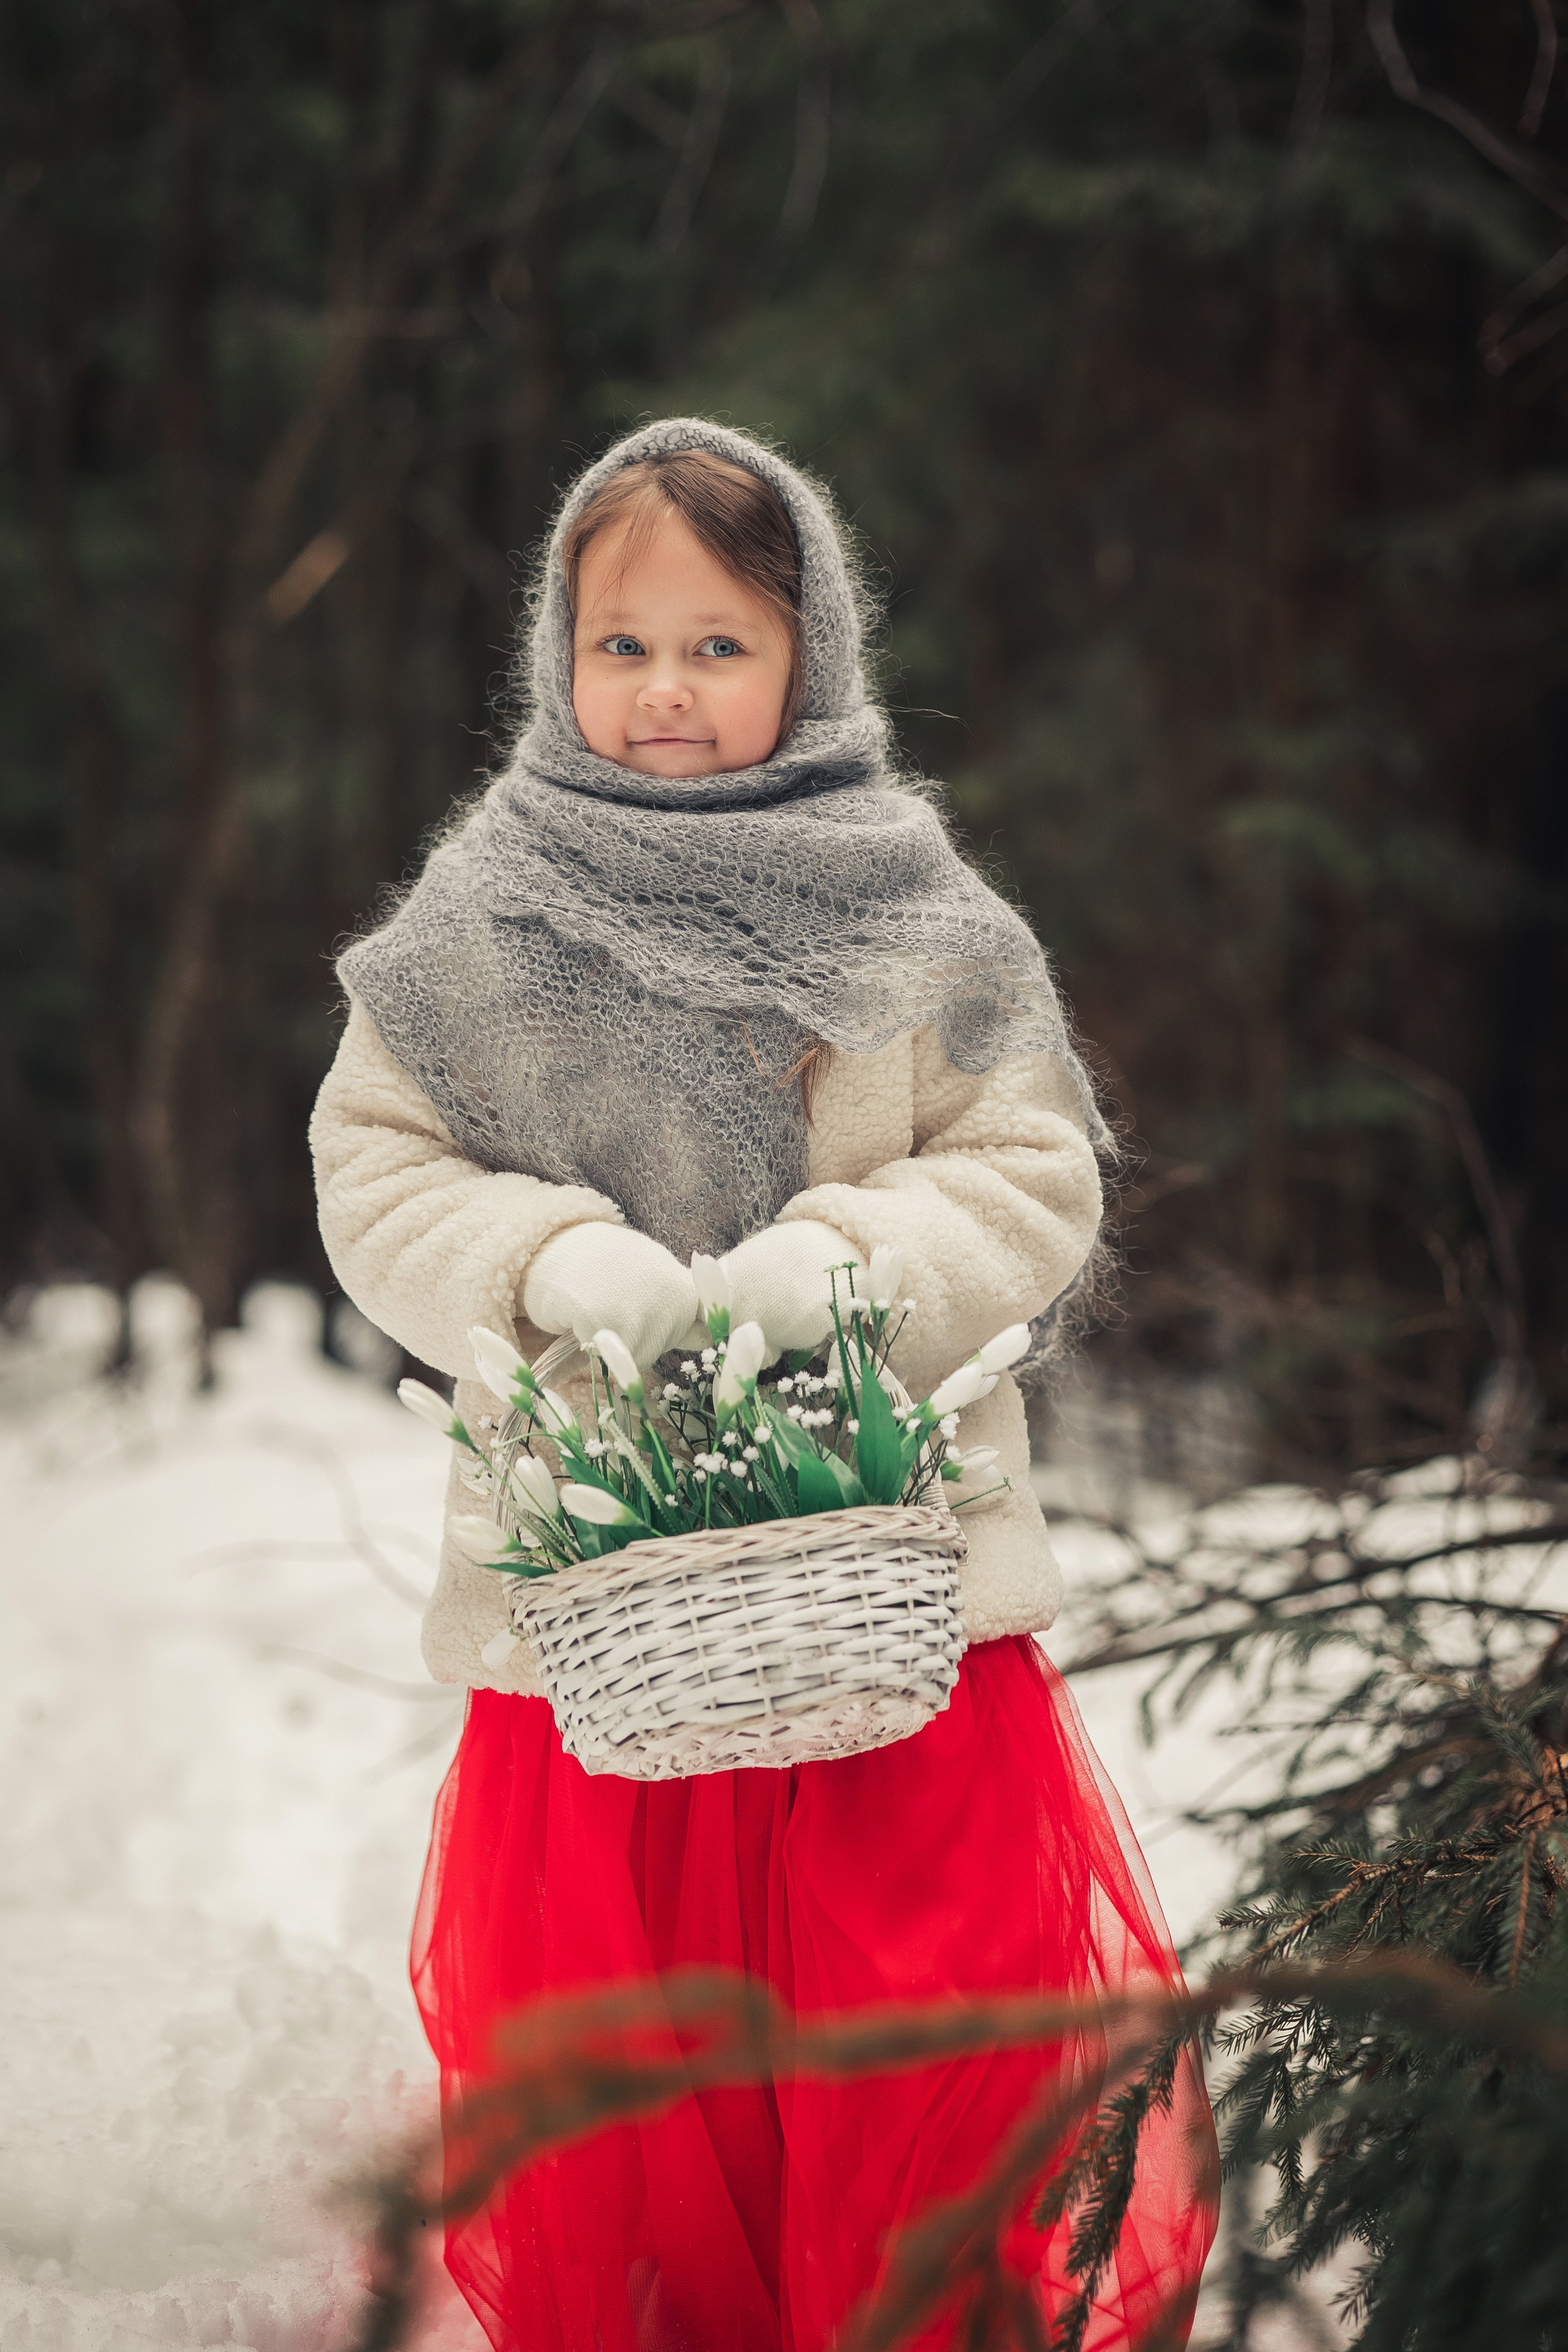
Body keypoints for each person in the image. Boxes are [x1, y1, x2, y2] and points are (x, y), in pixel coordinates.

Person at [311, 418, 1217, 2352]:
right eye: (620, 643)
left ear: (816, 654)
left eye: (720, 645)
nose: (664, 692)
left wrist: (854, 1261)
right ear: (556, 652)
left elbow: (1034, 1167)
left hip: (894, 1596)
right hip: (600, 1623)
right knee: (637, 2064)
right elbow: (374, 1171)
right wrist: (547, 1261)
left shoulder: (918, 906)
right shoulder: (485, 914)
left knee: (918, 2019)